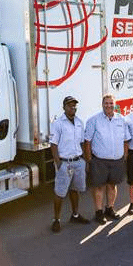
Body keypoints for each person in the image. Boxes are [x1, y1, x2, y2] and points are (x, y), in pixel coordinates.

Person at [84, 94, 131, 224]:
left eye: (111, 103)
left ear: (114, 105)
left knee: (112, 185)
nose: (108, 105)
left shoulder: (121, 120)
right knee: (99, 187)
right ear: (102, 104)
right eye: (106, 103)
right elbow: (87, 141)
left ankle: (109, 209)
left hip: (117, 160)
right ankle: (99, 212)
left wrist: (124, 156)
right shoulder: (93, 120)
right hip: (99, 161)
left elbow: (126, 140)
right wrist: (89, 160)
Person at [49, 96, 90, 233]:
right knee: (60, 193)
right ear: (64, 107)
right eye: (69, 105)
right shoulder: (58, 123)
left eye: (74, 105)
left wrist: (85, 159)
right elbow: (53, 145)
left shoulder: (79, 122)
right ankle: (56, 220)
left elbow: (82, 142)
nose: (72, 108)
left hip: (78, 161)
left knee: (75, 190)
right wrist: (58, 163)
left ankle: (75, 215)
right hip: (64, 163)